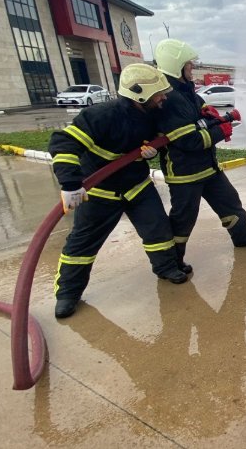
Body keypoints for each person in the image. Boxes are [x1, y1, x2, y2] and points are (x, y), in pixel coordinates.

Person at [49, 63, 188, 319]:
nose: (163, 97)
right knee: (82, 244)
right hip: (100, 190)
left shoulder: (153, 113)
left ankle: (167, 268)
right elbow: (64, 143)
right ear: (140, 94)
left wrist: (151, 150)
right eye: (158, 93)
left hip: (137, 186)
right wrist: (71, 184)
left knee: (158, 231)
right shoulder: (101, 115)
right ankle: (68, 294)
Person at [152, 38, 246, 274]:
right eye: (189, 64)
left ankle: (243, 238)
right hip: (184, 174)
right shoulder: (169, 99)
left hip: (208, 167)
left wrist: (213, 116)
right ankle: (173, 264)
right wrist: (220, 131)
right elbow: (189, 140)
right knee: (183, 220)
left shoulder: (187, 92)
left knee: (231, 202)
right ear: (176, 66)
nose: (193, 67)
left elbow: (200, 120)